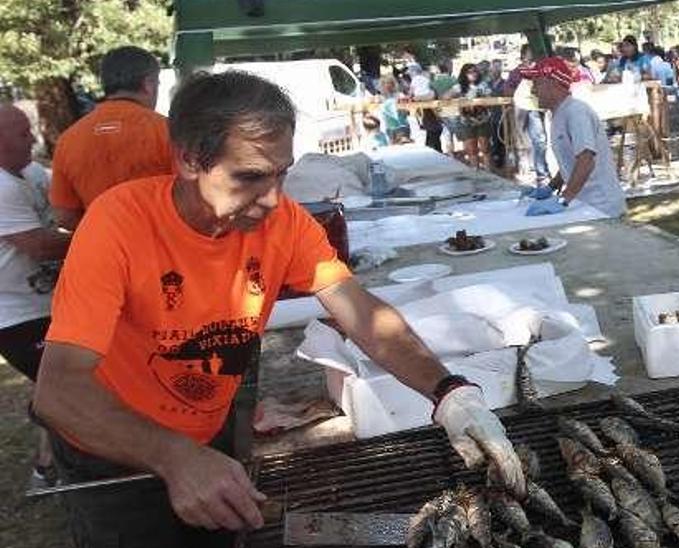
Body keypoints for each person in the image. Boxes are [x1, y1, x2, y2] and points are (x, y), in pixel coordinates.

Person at [31, 71, 526, 547]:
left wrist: (450, 392)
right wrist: (174, 456)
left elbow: (362, 314)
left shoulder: (283, 222)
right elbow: (59, 391)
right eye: (249, 176)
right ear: (187, 159)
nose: (272, 199)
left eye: (281, 173)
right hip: (114, 454)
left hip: (207, 435)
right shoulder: (118, 223)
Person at [0, 105, 71, 488]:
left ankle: (47, 467)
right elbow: (39, 245)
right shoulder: (0, 186)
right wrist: (101, 240)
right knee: (66, 387)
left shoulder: (29, 174)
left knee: (66, 384)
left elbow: (64, 210)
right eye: (22, 134)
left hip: (46, 306)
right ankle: (49, 466)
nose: (33, 139)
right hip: (13, 317)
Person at [49, 46, 172, 231]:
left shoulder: (68, 139)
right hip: (164, 244)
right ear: (148, 84)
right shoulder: (170, 131)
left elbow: (65, 216)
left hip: (104, 248)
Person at [518, 57, 627, 218]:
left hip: (603, 207)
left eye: (536, 83)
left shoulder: (576, 112)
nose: (533, 90)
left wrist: (563, 200)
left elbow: (586, 160)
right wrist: (551, 187)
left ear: (552, 83)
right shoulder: (557, 114)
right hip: (584, 205)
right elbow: (570, 162)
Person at [507, 45, 551, 183]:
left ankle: (541, 171)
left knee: (540, 139)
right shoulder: (516, 72)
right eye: (528, 54)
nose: (531, 57)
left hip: (536, 108)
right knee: (521, 138)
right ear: (523, 56)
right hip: (521, 107)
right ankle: (525, 167)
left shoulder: (541, 70)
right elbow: (507, 88)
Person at [444, 63, 493, 169]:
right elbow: (446, 96)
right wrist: (457, 98)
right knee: (471, 148)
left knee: (485, 146)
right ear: (464, 74)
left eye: (475, 71)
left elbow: (490, 98)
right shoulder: (459, 86)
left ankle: (489, 171)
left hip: (482, 120)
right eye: (470, 72)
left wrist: (482, 99)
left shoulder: (483, 85)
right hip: (466, 121)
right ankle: (474, 170)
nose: (473, 74)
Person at [377, 75, 412, 144]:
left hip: (401, 126)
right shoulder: (379, 98)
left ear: (393, 84)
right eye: (384, 83)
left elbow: (407, 112)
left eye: (389, 83)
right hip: (389, 128)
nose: (387, 85)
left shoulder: (400, 96)